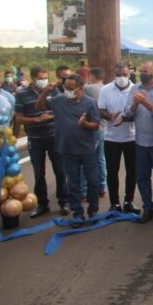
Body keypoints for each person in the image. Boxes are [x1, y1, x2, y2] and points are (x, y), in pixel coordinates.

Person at [36, 74, 101, 228]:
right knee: (73, 183)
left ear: (80, 88)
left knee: (92, 181)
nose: (68, 90)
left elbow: (96, 125)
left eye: (71, 88)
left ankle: (93, 210)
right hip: (67, 149)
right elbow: (39, 107)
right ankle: (77, 212)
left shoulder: (90, 103)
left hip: (87, 149)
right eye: (66, 87)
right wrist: (45, 92)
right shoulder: (58, 101)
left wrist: (85, 124)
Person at [14, 66, 69, 218]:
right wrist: (36, 119)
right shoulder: (21, 94)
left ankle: (63, 202)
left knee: (60, 171)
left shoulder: (54, 90)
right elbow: (18, 117)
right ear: (32, 78)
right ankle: (42, 204)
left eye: (46, 78)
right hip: (35, 139)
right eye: (41, 78)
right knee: (39, 174)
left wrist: (50, 116)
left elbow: (62, 109)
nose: (44, 81)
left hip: (54, 137)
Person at [124, 61, 153, 223]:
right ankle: (147, 208)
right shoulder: (135, 89)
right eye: (141, 70)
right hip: (140, 141)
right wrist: (136, 103)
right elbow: (127, 113)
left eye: (146, 71)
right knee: (142, 177)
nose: (143, 73)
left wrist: (145, 103)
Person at [98, 64, 139, 213]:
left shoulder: (135, 90)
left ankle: (129, 200)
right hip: (111, 138)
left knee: (132, 171)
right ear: (114, 75)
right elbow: (100, 110)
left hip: (131, 137)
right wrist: (110, 116)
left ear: (129, 75)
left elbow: (139, 114)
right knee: (112, 171)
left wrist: (125, 119)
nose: (121, 78)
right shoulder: (105, 89)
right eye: (118, 75)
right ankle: (114, 203)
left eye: (124, 74)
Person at [81, 67, 107, 198]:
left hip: (91, 128)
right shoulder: (105, 88)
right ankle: (102, 187)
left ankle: (83, 190)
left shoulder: (89, 88)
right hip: (103, 127)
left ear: (93, 76)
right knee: (100, 159)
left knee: (86, 160)